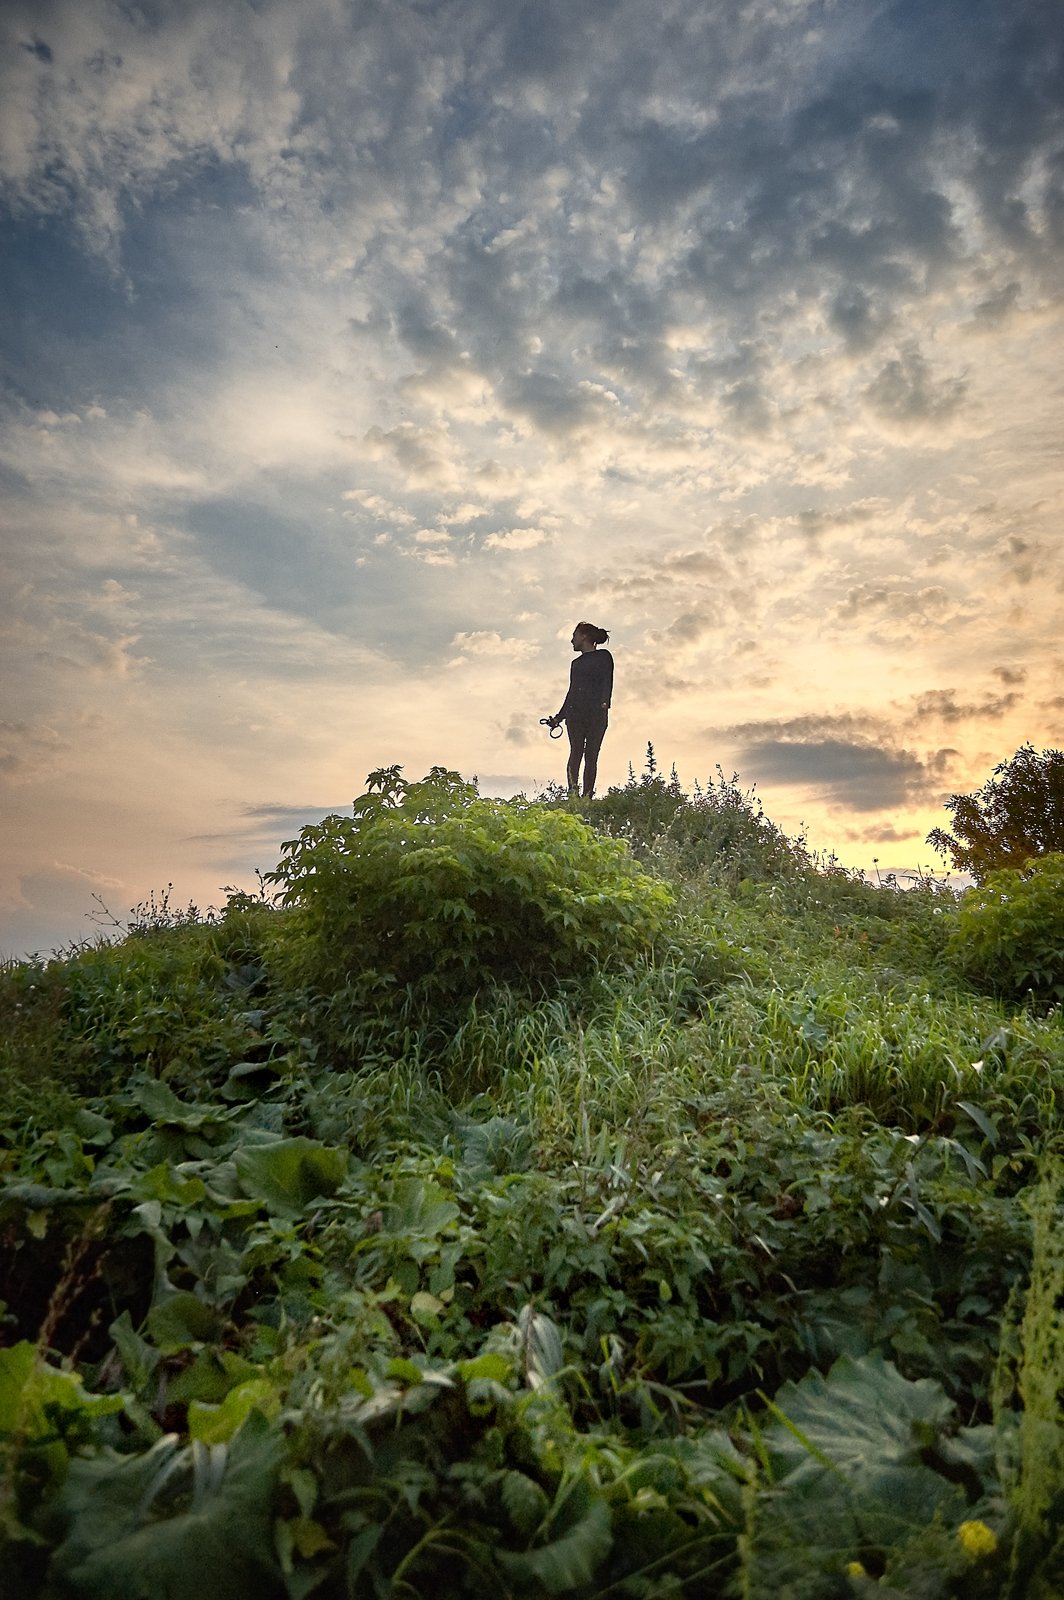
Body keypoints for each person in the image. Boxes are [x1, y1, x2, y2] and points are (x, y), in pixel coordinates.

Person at [547, 622, 613, 798]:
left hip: (596, 713)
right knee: (576, 752)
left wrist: (605, 702)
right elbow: (572, 691)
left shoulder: (604, 656)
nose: (571, 640)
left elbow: (608, 679)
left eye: (574, 636)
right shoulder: (576, 664)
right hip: (575, 713)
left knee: (591, 755)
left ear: (584, 637)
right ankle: (573, 794)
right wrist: (558, 718)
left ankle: (587, 796)